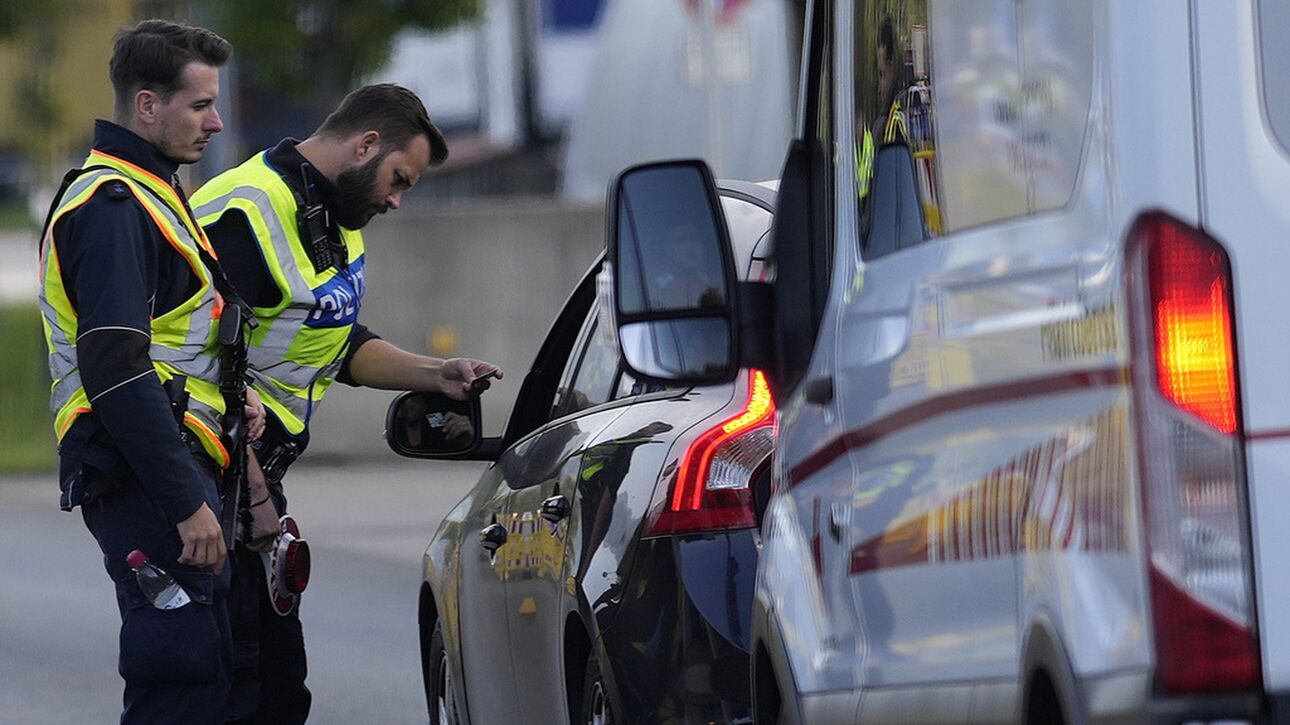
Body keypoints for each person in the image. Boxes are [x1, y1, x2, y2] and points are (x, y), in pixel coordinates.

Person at [191, 83, 501, 724]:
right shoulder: (244, 212)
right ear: (364, 145)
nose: (396, 198)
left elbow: (336, 343)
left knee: (277, 691)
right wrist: (253, 495)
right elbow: (193, 364)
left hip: (253, 483)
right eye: (398, 178)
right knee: (222, 689)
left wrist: (435, 374)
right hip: (210, 480)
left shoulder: (336, 216)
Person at [35, 19, 265, 724]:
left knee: (208, 669)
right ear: (146, 106)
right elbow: (116, 367)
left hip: (171, 458)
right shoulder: (113, 205)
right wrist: (182, 499)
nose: (216, 122)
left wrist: (235, 400)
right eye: (200, 105)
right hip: (143, 470)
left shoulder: (153, 191)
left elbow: (172, 341)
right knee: (180, 678)